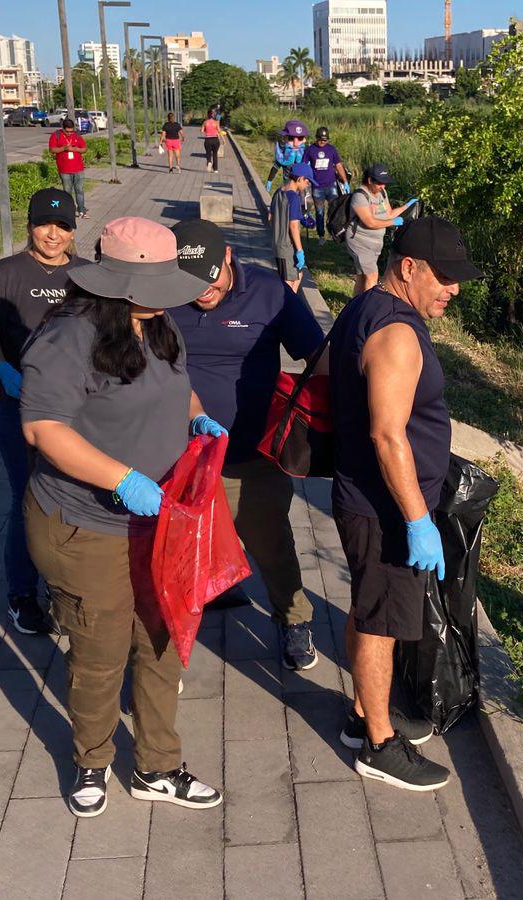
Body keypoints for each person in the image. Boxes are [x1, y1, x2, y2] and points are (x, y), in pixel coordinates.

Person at [20, 216, 225, 818]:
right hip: (86, 524)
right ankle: (91, 759)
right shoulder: (67, 338)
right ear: (113, 281)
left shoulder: (158, 324)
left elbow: (176, 387)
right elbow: (43, 428)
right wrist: (121, 479)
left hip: (159, 522)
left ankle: (158, 766)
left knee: (162, 644)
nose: (165, 297)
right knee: (100, 651)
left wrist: (196, 418)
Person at [330, 217, 484, 791]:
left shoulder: (365, 306)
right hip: (385, 508)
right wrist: (418, 520)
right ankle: (378, 745)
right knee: (380, 622)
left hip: (364, 495)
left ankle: (361, 715)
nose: (453, 289)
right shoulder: (396, 333)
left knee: (370, 607)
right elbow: (388, 435)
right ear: (409, 268)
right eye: (443, 277)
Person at [168, 219, 326, 670]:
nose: (202, 290)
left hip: (253, 447)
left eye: (211, 276)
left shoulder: (268, 291)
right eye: (189, 279)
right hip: (184, 448)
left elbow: (316, 354)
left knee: (268, 536)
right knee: (186, 542)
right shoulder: (163, 297)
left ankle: (293, 619)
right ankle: (201, 603)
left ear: (229, 258)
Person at [0, 187, 84, 636]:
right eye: (44, 224)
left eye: (62, 226)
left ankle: (66, 587)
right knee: (29, 498)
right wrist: (3, 370)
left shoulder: (88, 275)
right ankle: (22, 593)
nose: (52, 234)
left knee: (75, 497)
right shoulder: (5, 274)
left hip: (77, 408)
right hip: (19, 407)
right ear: (30, 226)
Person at [346, 163, 418, 296]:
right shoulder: (360, 197)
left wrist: (406, 206)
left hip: (375, 243)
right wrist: (393, 222)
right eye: (379, 183)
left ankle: (355, 305)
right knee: (372, 276)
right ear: (369, 180)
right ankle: (368, 309)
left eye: (385, 183)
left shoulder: (382, 193)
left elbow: (389, 213)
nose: (383, 186)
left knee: (362, 276)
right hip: (360, 242)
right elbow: (370, 222)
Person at [270, 163, 315, 293]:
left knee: (298, 275)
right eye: (307, 181)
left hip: (277, 243)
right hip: (287, 247)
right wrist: (299, 250)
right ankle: (285, 309)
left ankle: (292, 304)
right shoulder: (294, 198)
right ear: (300, 178)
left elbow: (270, 218)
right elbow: (294, 226)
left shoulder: (278, 192)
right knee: (288, 283)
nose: (307, 185)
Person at [301, 126, 348, 238]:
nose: (322, 142)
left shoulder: (331, 149)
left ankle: (334, 232)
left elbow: (338, 165)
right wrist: (303, 180)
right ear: (316, 138)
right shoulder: (310, 150)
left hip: (331, 185)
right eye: (320, 139)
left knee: (334, 211)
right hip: (317, 187)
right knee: (320, 212)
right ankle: (321, 235)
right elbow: (303, 165)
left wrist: (345, 181)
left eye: (325, 140)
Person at [49, 118, 89, 220]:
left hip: (78, 168)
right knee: (67, 191)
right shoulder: (56, 135)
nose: (69, 134)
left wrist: (75, 149)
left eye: (71, 131)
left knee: (79, 190)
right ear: (63, 128)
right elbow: (52, 149)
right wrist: (64, 148)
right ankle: (69, 210)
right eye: (67, 131)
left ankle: (81, 210)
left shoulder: (77, 135)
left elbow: (84, 149)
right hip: (64, 169)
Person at [265, 119, 308, 191]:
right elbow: (275, 168)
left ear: (304, 139)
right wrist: (269, 180)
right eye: (291, 138)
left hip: (302, 188)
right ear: (284, 139)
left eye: (300, 138)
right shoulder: (284, 156)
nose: (296, 143)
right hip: (288, 187)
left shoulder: (306, 155)